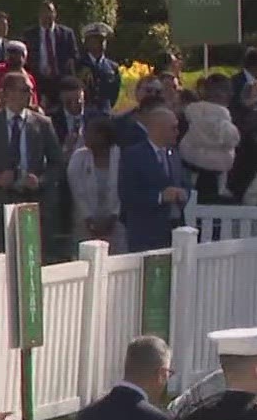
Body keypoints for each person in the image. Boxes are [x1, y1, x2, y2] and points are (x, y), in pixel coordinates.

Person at [0, 71, 60, 251]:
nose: (30, 95)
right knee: (3, 256)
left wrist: (40, 180)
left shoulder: (43, 124)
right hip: (0, 200)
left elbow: (57, 164)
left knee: (32, 255)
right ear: (7, 93)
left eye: (31, 90)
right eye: (25, 90)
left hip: (34, 201)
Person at [114, 106, 189, 253]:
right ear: (158, 129)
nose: (177, 132)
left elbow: (185, 183)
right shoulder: (134, 155)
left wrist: (183, 193)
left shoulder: (174, 155)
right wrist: (160, 197)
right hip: (146, 233)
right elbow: (127, 195)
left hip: (173, 230)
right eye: (173, 128)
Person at [66, 117, 124, 251]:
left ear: (103, 135)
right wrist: (89, 220)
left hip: (116, 224)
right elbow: (77, 193)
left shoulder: (121, 156)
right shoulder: (78, 157)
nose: (85, 135)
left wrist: (113, 218)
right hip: (85, 224)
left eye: (90, 132)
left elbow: (124, 190)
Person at [23, 1, 77, 84]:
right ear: (39, 14)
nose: (47, 15)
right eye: (44, 12)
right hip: (38, 79)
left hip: (61, 79)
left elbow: (74, 55)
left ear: (55, 14)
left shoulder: (66, 34)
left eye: (50, 11)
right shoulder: (29, 35)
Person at [74, 23, 121, 116]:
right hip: (84, 111)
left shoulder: (112, 66)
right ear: (87, 43)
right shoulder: (78, 65)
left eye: (102, 40)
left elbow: (115, 91)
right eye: (95, 40)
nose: (100, 44)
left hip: (105, 111)